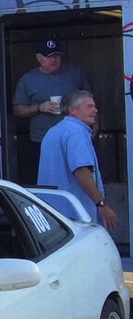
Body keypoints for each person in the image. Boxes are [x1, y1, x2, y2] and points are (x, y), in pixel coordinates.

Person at [12, 38, 91, 183]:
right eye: (48, 56)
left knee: (79, 178)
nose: (53, 59)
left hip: (74, 138)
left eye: (56, 55)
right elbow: (17, 110)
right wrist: (39, 107)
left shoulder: (75, 74)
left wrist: (94, 128)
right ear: (38, 58)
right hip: (42, 140)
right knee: (48, 180)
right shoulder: (28, 79)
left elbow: (90, 101)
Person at [38, 90, 117, 230]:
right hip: (76, 216)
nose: (95, 110)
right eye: (89, 107)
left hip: (52, 214)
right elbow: (81, 171)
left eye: (94, 106)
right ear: (73, 110)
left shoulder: (53, 131)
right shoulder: (77, 133)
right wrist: (102, 205)